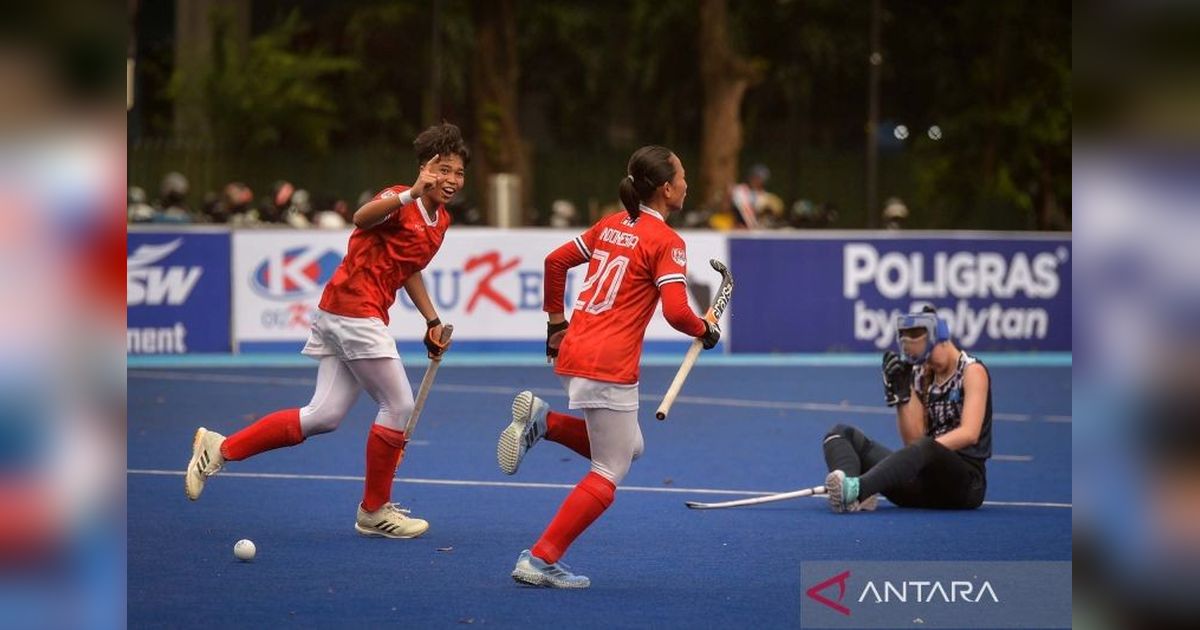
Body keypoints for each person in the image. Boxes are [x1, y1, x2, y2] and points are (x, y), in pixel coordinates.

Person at [183, 123, 469, 539]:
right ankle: (374, 510)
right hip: (354, 310)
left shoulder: (441, 220)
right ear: (425, 168)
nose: (451, 180)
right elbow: (361, 217)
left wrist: (432, 320)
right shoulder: (398, 198)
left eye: (458, 173)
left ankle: (220, 448)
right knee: (398, 404)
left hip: (347, 313)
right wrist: (410, 190)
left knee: (323, 416)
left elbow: (410, 270)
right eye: (443, 170)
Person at [495, 145, 721, 588]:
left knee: (630, 446)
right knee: (610, 469)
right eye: (683, 176)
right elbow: (678, 313)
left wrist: (554, 325)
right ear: (666, 188)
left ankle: (545, 423)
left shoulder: (612, 225)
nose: (687, 184)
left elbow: (555, 261)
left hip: (576, 350)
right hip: (608, 364)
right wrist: (704, 329)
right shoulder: (667, 242)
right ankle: (540, 559)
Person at [822, 306, 991, 512]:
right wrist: (902, 396)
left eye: (928, 355)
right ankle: (849, 495)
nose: (926, 363)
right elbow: (912, 441)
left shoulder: (972, 371)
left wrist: (928, 451)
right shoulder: (921, 375)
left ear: (943, 340)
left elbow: (970, 433)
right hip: (923, 483)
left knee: (927, 446)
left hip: (963, 487)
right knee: (840, 434)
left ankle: (860, 488)